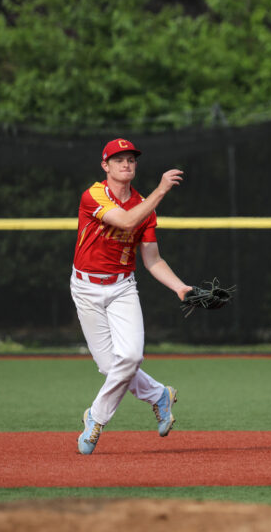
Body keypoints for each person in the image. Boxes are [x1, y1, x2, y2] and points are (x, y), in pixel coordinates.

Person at [71, 138, 193, 455]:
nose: (127, 164)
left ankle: (95, 418)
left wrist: (179, 286)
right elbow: (124, 220)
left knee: (131, 357)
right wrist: (162, 190)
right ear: (105, 166)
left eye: (131, 159)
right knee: (109, 366)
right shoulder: (94, 194)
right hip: (85, 287)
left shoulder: (144, 207)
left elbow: (153, 260)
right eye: (119, 159)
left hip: (122, 286)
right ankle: (158, 395)